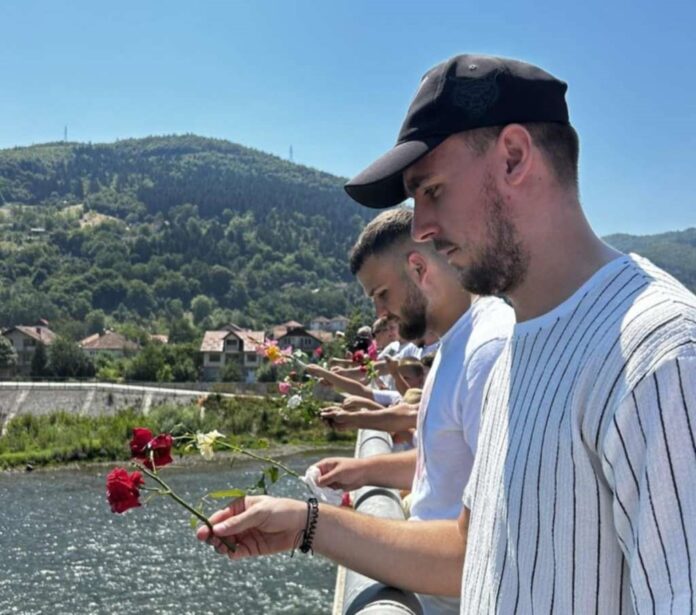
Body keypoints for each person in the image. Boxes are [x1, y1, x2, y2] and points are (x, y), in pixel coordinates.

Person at [198, 54, 696, 613]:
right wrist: (304, 524)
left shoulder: (661, 357)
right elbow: (470, 553)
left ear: (513, 157)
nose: (421, 229)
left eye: (431, 190)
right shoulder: (520, 341)